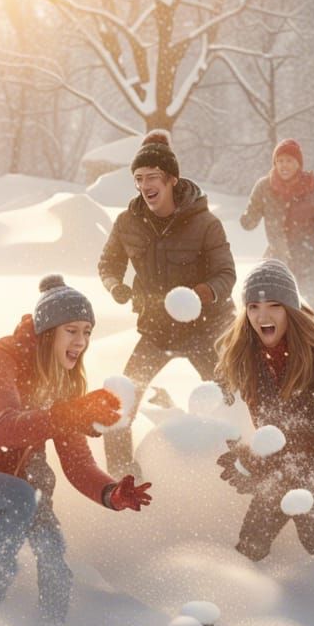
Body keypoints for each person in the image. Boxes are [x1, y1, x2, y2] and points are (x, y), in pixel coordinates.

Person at [0, 275, 152, 622]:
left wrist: (110, 492)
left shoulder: (64, 380)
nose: (81, 340)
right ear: (48, 329)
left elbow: (76, 461)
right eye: (72, 330)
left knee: (52, 550)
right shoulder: (3, 355)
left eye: (87, 331)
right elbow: (5, 429)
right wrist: (73, 411)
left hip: (25, 477)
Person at [98, 130, 236, 475]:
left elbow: (226, 274)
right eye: (139, 179)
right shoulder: (128, 222)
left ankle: (243, 470)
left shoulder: (205, 223)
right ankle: (122, 476)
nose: (145, 185)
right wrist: (116, 286)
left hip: (205, 331)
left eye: (153, 178)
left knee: (232, 402)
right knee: (119, 405)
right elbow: (108, 264)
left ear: (172, 179)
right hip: (156, 329)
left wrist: (200, 294)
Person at [215, 260, 314, 563]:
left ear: (291, 309)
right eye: (253, 306)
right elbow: (228, 414)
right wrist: (244, 455)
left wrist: (277, 442)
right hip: (281, 462)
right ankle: (240, 599)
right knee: (252, 540)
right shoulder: (243, 356)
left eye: (274, 305)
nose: (262, 316)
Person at [240, 138, 314, 319]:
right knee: (269, 323)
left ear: (299, 164)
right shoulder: (264, 188)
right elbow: (249, 222)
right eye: (280, 161)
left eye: (289, 161)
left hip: (308, 268)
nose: (284, 165)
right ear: (275, 163)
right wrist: (248, 216)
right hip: (276, 267)